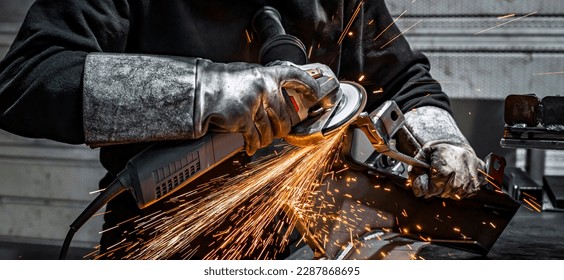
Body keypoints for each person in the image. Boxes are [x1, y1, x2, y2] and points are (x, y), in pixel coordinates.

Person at [0, 0, 484, 258]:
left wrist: (438, 134)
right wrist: (203, 91)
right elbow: (29, 79)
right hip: (163, 244)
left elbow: (403, 78)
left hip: (305, 240)